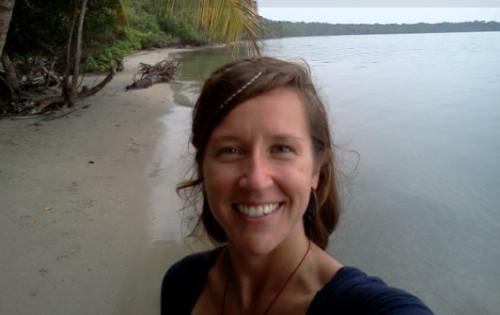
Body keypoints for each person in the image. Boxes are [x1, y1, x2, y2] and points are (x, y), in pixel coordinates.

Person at [161, 57, 433, 314]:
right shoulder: (182, 283)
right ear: (203, 168)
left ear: (316, 169)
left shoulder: (365, 306)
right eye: (230, 150)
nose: (256, 179)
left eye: (281, 148)